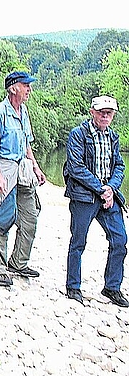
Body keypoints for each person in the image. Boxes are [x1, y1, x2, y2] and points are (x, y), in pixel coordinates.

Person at [63, 95, 129, 307]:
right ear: (92, 112)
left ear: (113, 116)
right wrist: (102, 189)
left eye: (109, 113)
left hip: (107, 197)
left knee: (120, 240)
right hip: (84, 196)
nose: (105, 116)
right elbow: (75, 167)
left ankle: (112, 287)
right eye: (101, 112)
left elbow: (119, 165)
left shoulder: (113, 137)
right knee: (78, 241)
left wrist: (111, 188)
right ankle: (73, 286)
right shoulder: (78, 134)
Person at [0, 71, 47, 288]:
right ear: (13, 88)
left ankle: (18, 262)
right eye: (25, 85)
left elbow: (27, 143)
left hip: (23, 168)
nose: (29, 89)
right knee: (3, 219)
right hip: (5, 168)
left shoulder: (24, 111)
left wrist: (36, 168)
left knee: (30, 217)